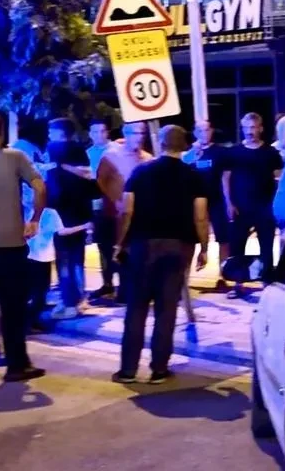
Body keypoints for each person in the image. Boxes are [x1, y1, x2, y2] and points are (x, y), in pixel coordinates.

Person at [112, 125, 209, 384]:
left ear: (161, 143)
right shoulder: (194, 176)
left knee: (137, 307)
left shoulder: (141, 172)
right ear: (184, 145)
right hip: (179, 246)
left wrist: (120, 244)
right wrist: (203, 248)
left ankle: (128, 370)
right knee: (167, 310)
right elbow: (200, 217)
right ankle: (159, 369)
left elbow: (127, 211)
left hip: (143, 245)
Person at [0, 111, 48, 382]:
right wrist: (35, 219)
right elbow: (40, 187)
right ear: (1, 131)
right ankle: (17, 365)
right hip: (10, 247)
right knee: (13, 309)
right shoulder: (15, 157)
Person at [222, 112, 283, 296]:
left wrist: (276, 204)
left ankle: (267, 284)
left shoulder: (270, 153)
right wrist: (229, 203)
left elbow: (279, 178)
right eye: (246, 127)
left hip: (265, 207)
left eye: (253, 127)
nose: (249, 131)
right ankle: (238, 284)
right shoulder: (234, 152)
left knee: (266, 246)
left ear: (260, 128)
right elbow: (225, 178)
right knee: (237, 247)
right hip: (240, 208)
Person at [44, 120, 96, 320]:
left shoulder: (53, 150)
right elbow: (88, 177)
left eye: (51, 131)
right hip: (81, 211)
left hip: (61, 211)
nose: (49, 134)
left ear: (59, 132)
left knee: (64, 261)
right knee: (77, 259)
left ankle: (69, 303)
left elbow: (51, 182)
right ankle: (80, 300)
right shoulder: (80, 150)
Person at [95, 122, 152, 303]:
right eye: (135, 133)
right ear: (126, 134)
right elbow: (100, 181)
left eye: (142, 133)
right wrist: (115, 200)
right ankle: (113, 287)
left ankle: (130, 293)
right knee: (113, 252)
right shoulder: (111, 155)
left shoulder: (147, 159)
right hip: (113, 215)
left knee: (133, 253)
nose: (139, 137)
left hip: (137, 215)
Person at [184, 120, 230, 292]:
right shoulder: (190, 153)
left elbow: (226, 178)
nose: (204, 133)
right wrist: (192, 153)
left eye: (207, 129)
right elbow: (182, 169)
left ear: (211, 131)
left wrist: (229, 202)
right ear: (195, 132)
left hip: (216, 200)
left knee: (223, 239)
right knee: (191, 239)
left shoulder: (220, 152)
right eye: (200, 130)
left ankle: (223, 276)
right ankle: (184, 278)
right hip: (195, 202)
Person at [23, 186, 60, 330]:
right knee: (41, 291)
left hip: (28, 256)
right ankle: (32, 321)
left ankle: (28, 321)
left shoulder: (24, 212)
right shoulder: (51, 213)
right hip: (42, 258)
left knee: (29, 291)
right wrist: (84, 226)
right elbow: (62, 231)